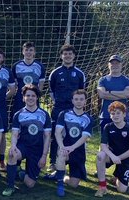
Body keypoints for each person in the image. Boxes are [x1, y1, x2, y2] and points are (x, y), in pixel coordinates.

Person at [3, 84, 52, 196]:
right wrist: (13, 146)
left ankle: (20, 172)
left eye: (33, 95)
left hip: (37, 150)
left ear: (37, 97)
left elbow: (47, 136)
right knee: (12, 154)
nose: (30, 98)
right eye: (28, 95)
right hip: (23, 147)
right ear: (23, 98)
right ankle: (10, 186)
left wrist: (44, 156)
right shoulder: (18, 114)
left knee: (30, 184)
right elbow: (15, 134)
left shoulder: (44, 115)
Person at [47, 44, 86, 173]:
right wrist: (58, 101)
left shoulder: (80, 74)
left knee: (75, 134)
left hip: (74, 110)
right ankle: (53, 161)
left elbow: (81, 91)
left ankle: (75, 161)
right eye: (65, 54)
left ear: (74, 56)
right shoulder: (55, 72)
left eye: (70, 53)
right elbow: (51, 91)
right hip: (59, 108)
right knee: (55, 134)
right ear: (61, 56)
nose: (67, 56)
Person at [53, 89, 93, 197]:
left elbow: (84, 137)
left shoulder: (88, 118)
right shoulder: (64, 114)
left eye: (81, 99)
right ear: (72, 101)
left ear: (85, 101)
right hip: (65, 148)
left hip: (78, 150)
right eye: (76, 99)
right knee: (61, 154)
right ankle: (60, 184)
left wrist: (72, 147)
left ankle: (58, 176)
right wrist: (62, 147)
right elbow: (57, 133)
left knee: (73, 184)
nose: (79, 101)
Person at [95, 101, 129, 197]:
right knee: (100, 156)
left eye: (118, 113)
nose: (115, 115)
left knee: (122, 190)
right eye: (113, 113)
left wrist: (118, 158)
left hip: (125, 158)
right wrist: (113, 156)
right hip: (112, 155)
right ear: (110, 116)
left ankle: (117, 175)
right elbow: (103, 145)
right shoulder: (108, 127)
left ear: (124, 114)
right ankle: (102, 186)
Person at [97, 55, 129, 129]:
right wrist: (121, 93)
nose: (115, 65)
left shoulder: (127, 80)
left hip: (122, 116)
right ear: (108, 65)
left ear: (121, 65)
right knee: (105, 140)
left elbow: (128, 94)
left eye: (117, 63)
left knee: (123, 140)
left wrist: (109, 92)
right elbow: (102, 94)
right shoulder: (102, 80)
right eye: (112, 63)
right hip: (106, 116)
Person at [11, 42, 46, 115]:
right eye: (26, 50)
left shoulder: (39, 66)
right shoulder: (16, 66)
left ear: (34, 52)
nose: (28, 52)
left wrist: (35, 96)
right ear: (23, 52)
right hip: (19, 99)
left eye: (31, 50)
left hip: (33, 99)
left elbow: (41, 85)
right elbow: (13, 84)